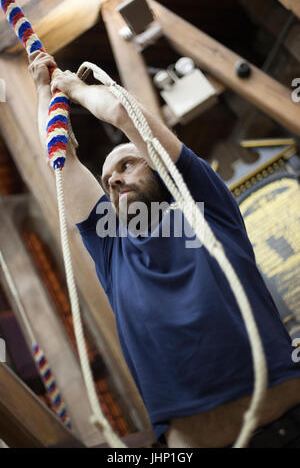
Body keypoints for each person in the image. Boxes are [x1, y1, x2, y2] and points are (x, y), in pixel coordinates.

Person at [28, 50, 300, 448]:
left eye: (127, 165)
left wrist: (75, 90)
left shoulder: (202, 205)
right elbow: (60, 159)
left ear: (158, 166)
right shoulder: (112, 247)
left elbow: (124, 113)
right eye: (107, 180)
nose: (114, 181)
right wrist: (40, 90)